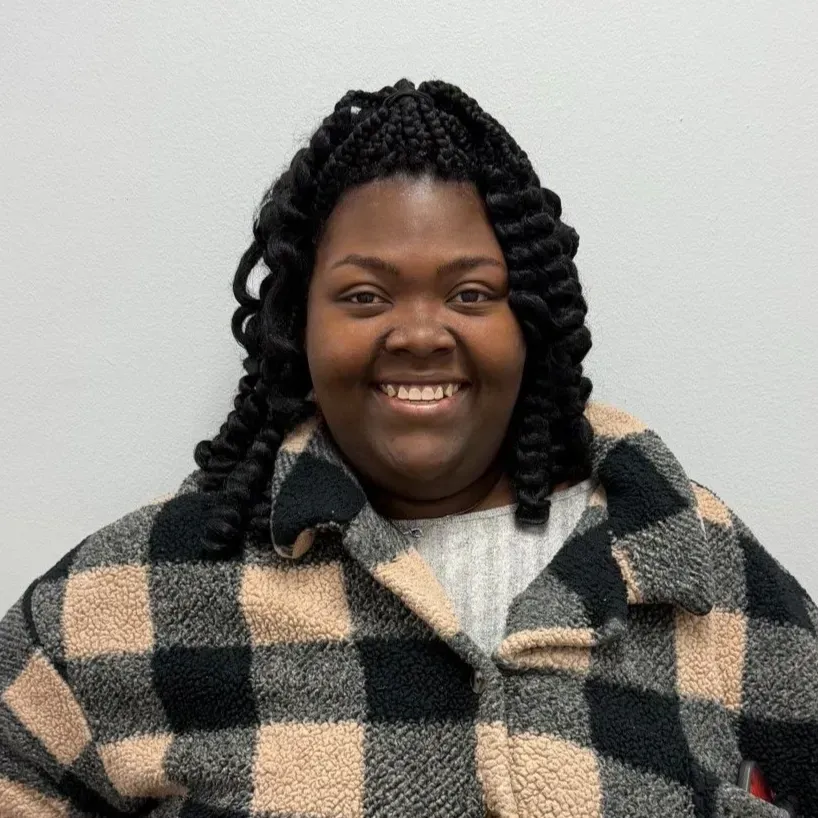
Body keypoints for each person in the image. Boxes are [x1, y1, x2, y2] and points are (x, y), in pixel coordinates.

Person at [0, 78, 815, 818]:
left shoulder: (694, 564)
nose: (421, 334)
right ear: (296, 327)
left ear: (529, 319)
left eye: (470, 294)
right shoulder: (126, 597)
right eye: (364, 295)